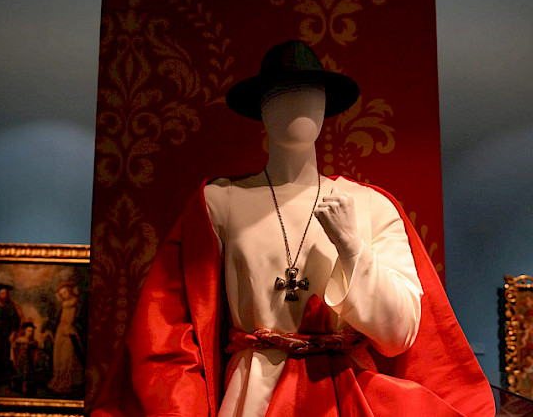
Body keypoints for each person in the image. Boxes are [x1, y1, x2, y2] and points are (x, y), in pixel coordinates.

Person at [92, 41, 494, 416]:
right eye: (281, 93)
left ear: (326, 105)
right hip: (253, 394)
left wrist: (353, 249)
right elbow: (168, 330)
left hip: (348, 396)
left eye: (310, 93)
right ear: (261, 108)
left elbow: (399, 334)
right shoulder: (219, 202)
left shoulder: (371, 206)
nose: (297, 104)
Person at [47, 282, 84, 394]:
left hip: (69, 332)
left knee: (67, 357)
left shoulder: (76, 303)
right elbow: (57, 319)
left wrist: (70, 328)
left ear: (70, 291)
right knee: (58, 357)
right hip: (60, 332)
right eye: (61, 294)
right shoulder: (62, 305)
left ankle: (68, 382)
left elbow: (77, 319)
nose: (63, 295)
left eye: (64, 292)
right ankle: (59, 379)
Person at [11, 322, 39, 395]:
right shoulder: (19, 340)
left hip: (30, 359)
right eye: (29, 331)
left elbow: (36, 351)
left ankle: (26, 387)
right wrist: (13, 359)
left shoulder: (34, 341)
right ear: (25, 331)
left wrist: (36, 358)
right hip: (21, 359)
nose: (30, 333)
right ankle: (21, 386)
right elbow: (13, 349)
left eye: (32, 331)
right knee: (22, 372)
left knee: (29, 373)